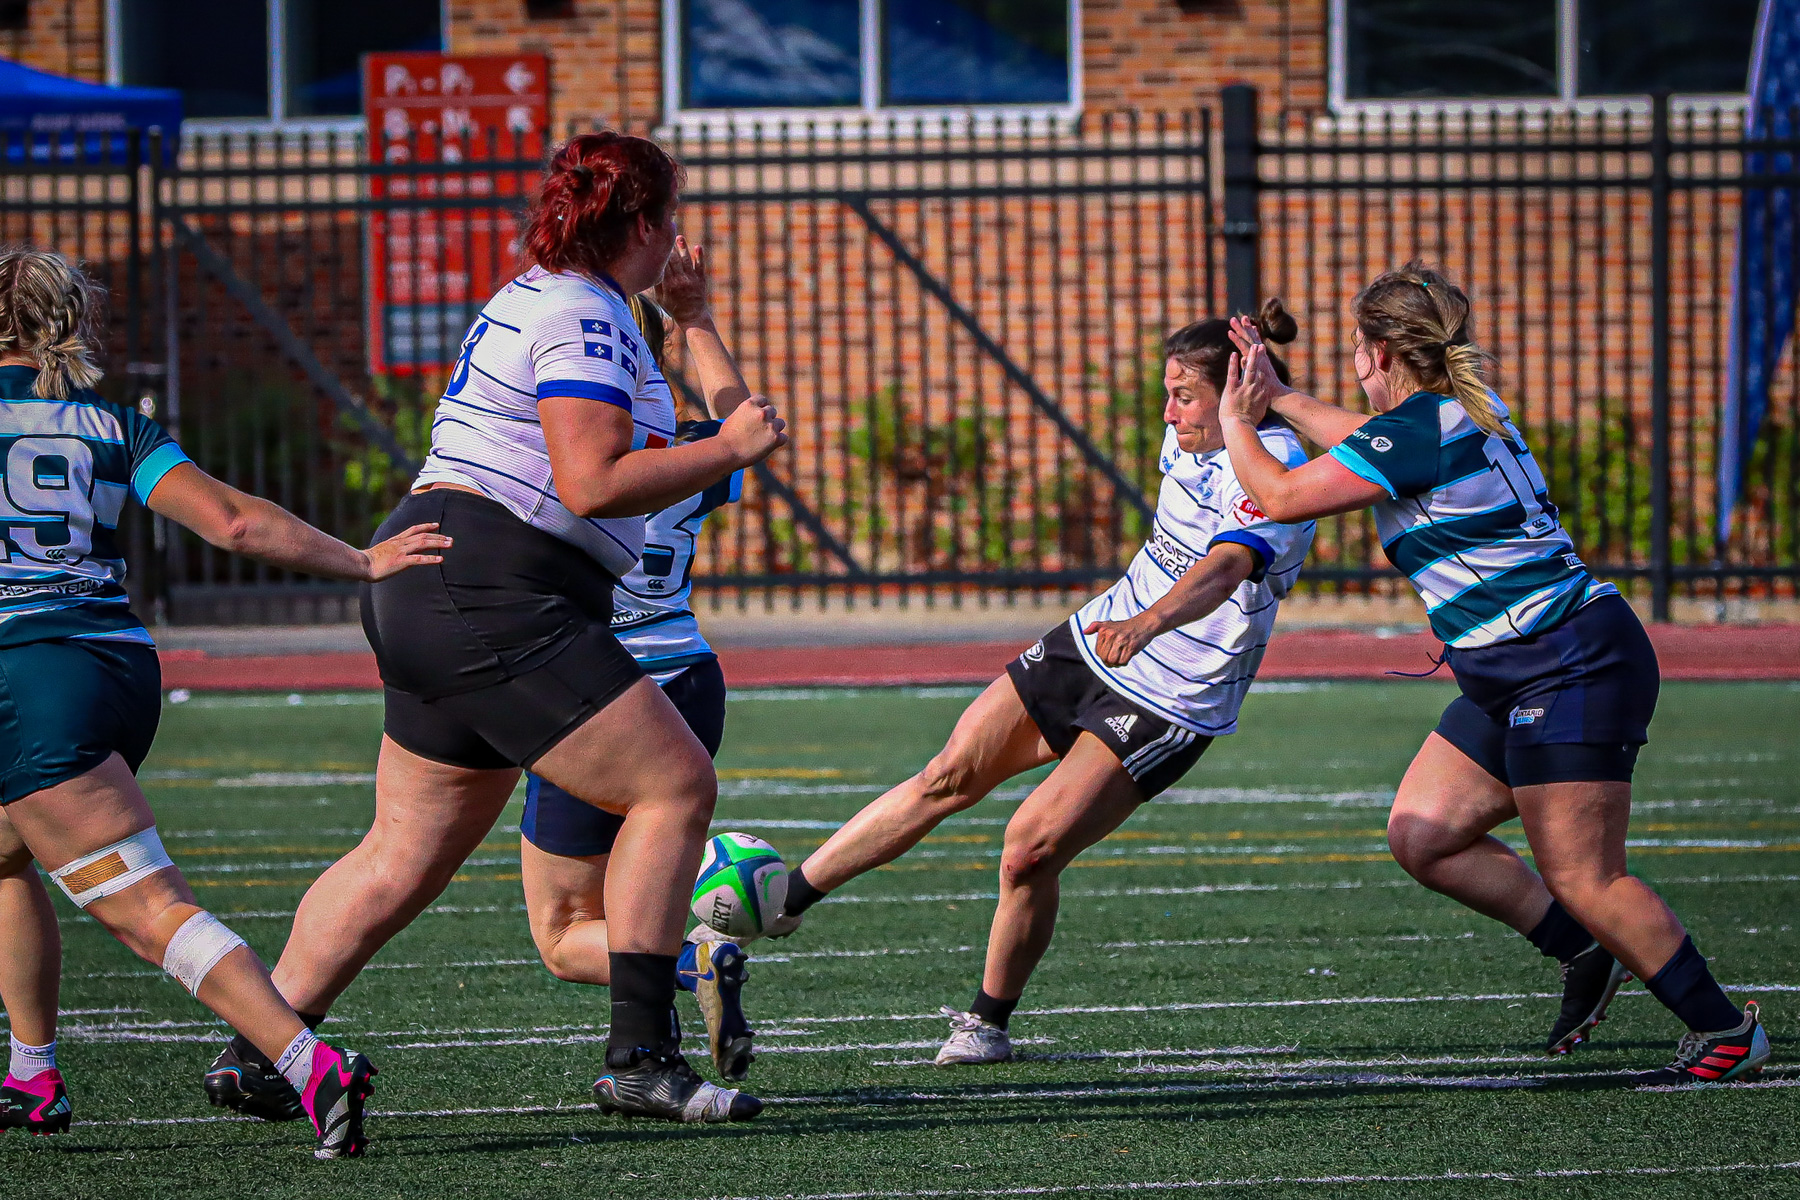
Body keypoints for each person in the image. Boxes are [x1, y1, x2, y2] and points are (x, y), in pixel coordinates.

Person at [200, 131, 786, 1125]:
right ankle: (641, 1053)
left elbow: (714, 438)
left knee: (403, 852)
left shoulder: (551, 295)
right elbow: (591, 482)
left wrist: (694, 330)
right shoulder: (585, 312)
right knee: (676, 783)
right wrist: (722, 445)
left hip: (440, 577)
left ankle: (269, 1049)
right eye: (671, 214)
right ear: (640, 223)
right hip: (494, 585)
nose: (680, 234)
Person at [1217, 260, 1768, 1085]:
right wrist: (1283, 397)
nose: (1354, 368)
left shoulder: (1415, 431)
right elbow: (1363, 442)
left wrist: (1238, 418)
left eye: (1357, 351)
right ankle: (1582, 948)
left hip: (1566, 662)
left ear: (1377, 354)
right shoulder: (1451, 409)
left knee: (1585, 873)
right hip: (1521, 667)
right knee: (1424, 833)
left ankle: (1726, 1031)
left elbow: (1286, 494)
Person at [764, 304, 1318, 1064]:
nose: (1167, 411)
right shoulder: (1188, 433)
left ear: (1239, 396)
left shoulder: (1277, 471)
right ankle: (784, 902)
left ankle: (987, 1023)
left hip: (1172, 695)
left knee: (1028, 849)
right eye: (1167, 391)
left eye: (1183, 395)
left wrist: (1151, 623)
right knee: (947, 773)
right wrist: (1129, 621)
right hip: (1094, 642)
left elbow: (1226, 567)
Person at [0, 246, 448, 1154]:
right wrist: (358, 559)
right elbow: (233, 521)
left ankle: (307, 1061)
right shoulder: (114, 426)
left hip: (26, 671)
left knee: (147, 908)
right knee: (6, 856)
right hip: (114, 668)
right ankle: (30, 1071)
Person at [518, 254, 758, 1084]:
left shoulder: (553, 452)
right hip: (688, 677)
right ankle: (673, 996)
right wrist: (696, 319)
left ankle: (689, 966)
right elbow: (744, 428)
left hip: (593, 686)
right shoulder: (689, 454)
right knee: (641, 882)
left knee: (561, 930)